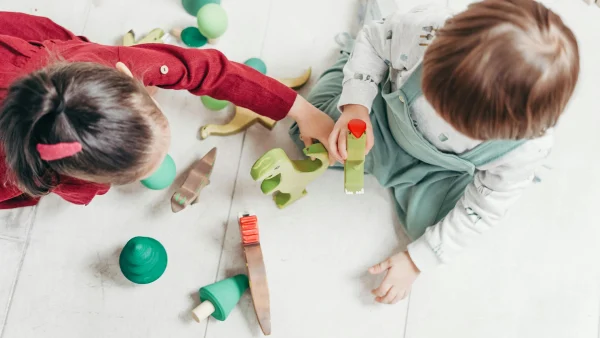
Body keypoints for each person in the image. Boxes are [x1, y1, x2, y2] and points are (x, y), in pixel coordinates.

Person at [289, 0, 579, 304]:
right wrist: (355, 108)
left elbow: (482, 208)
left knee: (433, 233)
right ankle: (346, 64)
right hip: (383, 122)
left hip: (440, 170)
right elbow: (375, 42)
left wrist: (416, 261)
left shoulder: (527, 148)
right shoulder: (424, 31)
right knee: (308, 134)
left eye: (464, 127)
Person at [0, 11, 335, 209]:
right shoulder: (31, 178)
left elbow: (208, 70)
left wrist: (301, 110)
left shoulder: (110, 60)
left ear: (125, 73)